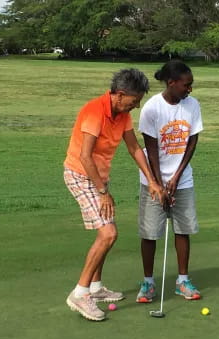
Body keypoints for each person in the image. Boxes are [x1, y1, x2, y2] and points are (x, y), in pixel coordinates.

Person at [63, 68, 165, 321]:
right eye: (134, 101)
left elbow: (134, 148)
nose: (137, 105)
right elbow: (85, 157)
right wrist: (103, 192)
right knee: (109, 233)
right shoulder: (94, 112)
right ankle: (80, 292)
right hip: (81, 175)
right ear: (120, 95)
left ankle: (96, 288)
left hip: (97, 178)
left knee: (106, 233)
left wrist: (152, 180)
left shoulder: (122, 115)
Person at [136, 60, 203, 303]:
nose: (190, 89)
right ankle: (148, 283)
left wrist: (176, 177)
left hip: (182, 180)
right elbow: (151, 149)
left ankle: (182, 281)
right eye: (186, 85)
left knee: (183, 230)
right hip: (152, 180)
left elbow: (192, 142)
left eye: (191, 85)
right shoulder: (152, 108)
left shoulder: (192, 106)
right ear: (171, 83)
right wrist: (160, 183)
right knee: (150, 232)